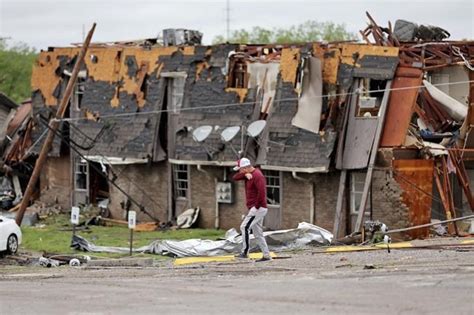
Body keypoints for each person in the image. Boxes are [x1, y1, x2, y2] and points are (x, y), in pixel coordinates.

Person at [232, 158, 272, 262]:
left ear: (245, 168)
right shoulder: (248, 175)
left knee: (244, 227)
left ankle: (245, 252)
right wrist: (244, 175)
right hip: (256, 208)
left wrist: (256, 207)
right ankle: (267, 255)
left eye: (240, 170)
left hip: (258, 208)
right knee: (258, 233)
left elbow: (262, 192)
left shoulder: (258, 175)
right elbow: (235, 177)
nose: (239, 171)